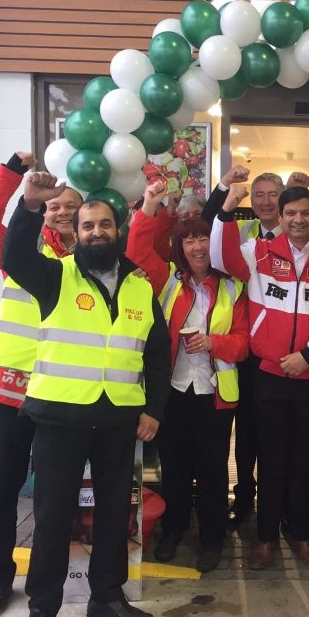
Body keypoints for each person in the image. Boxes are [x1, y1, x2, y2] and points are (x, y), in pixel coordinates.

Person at [2, 172, 172, 617]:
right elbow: (13, 256)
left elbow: (158, 355)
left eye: (105, 224)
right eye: (88, 226)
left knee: (116, 512)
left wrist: (154, 411)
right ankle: (42, 612)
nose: (97, 232)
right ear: (74, 234)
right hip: (59, 419)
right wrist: (29, 206)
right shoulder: (55, 275)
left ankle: (106, 597)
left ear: (118, 229)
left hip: (119, 421)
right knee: (53, 516)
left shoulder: (140, 287)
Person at [210, 181, 309, 570]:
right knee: (270, 458)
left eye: (305, 213)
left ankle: (302, 533)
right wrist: (226, 210)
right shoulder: (257, 252)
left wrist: (308, 356)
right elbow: (220, 258)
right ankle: (266, 536)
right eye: (290, 213)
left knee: (306, 460)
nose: (298, 219)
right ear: (281, 216)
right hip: (268, 375)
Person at [0, 151, 81, 616]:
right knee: (1, 490)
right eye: (55, 207)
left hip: (60, 395)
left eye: (72, 207)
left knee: (53, 497)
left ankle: (45, 589)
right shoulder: (20, 251)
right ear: (42, 210)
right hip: (10, 393)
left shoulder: (93, 260)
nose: (64, 213)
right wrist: (13, 172)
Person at [125, 181, 250, 573]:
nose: (197, 247)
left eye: (203, 239)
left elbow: (245, 343)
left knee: (213, 471)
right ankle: (174, 530)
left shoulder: (232, 286)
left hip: (214, 394)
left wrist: (216, 343)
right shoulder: (164, 280)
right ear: (179, 248)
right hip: (172, 393)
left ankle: (212, 538)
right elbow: (136, 250)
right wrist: (149, 206)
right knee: (174, 468)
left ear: (212, 245)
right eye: (189, 240)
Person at [201, 167, 308, 527]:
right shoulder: (243, 234)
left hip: (286, 352)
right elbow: (211, 231)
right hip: (243, 345)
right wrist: (224, 194)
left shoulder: (299, 239)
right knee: (246, 430)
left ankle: (279, 500)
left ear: (283, 201)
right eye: (258, 194)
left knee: (283, 435)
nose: (264, 201)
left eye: (272, 195)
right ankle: (244, 494)